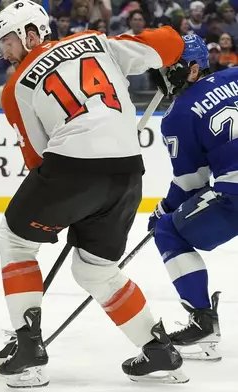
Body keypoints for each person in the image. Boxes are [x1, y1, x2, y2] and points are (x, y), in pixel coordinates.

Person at [0, 0, 201, 387]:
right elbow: (170, 43)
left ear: (31, 34)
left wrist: (72, 202)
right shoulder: (96, 41)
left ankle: (29, 350)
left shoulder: (16, 86)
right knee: (95, 269)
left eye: (7, 41)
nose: (4, 51)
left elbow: (38, 157)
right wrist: (168, 67)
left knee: (15, 242)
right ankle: (159, 351)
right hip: (127, 172)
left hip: (71, 168)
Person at [147, 37, 238, 363]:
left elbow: (191, 184)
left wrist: (163, 210)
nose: (161, 75)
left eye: (169, 68)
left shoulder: (178, 114)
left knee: (169, 231)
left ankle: (202, 321)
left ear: (194, 69)